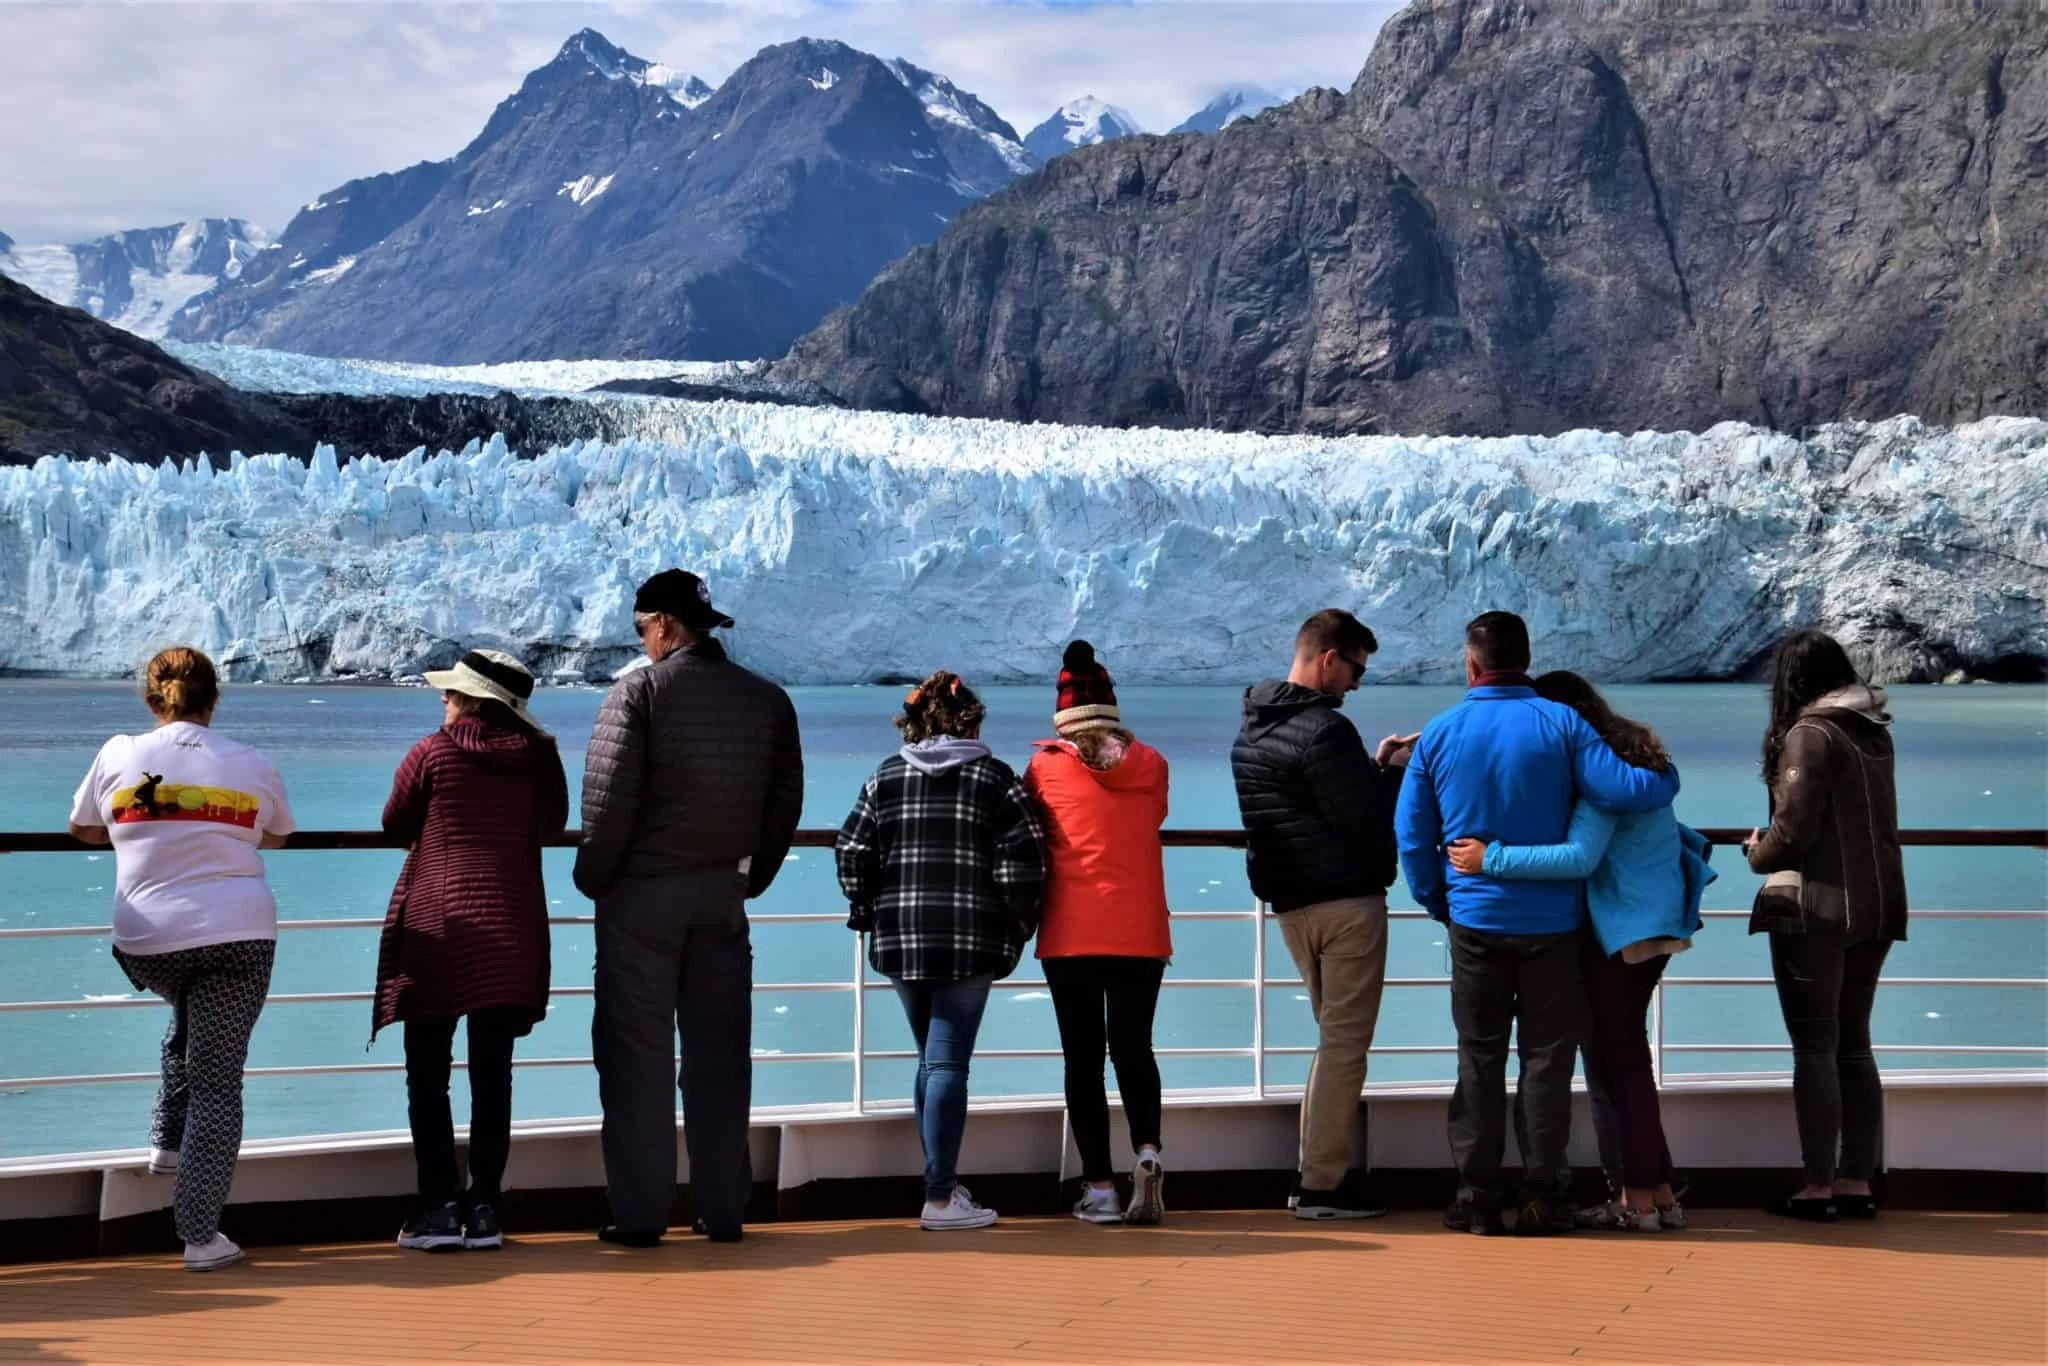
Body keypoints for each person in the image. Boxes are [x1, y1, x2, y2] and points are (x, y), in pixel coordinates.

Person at [1395, 612, 1679, 1236]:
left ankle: (1477, 1199)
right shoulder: (1565, 723)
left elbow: (1413, 838)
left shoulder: (1440, 734)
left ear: (1470, 665)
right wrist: (1667, 775)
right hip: (1554, 926)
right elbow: (1630, 789)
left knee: (1479, 1058)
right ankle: (1544, 1197)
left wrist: (1440, 902)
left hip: (1473, 922)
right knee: (1547, 1061)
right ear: (1526, 660)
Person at [575, 570, 804, 1247]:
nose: (642, 641)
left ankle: (642, 1216)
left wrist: (595, 878)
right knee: (720, 1056)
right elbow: (782, 805)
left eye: (642, 628)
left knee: (636, 1058)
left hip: (643, 901)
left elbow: (608, 800)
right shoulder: (768, 701)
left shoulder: (639, 692)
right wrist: (748, 880)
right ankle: (723, 1209)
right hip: (721, 899)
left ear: (666, 627)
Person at [1446, 671, 1713, 1233]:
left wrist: (1488, 859)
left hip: (1623, 930)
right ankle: (1657, 1193)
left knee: (1620, 1063)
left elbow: (1579, 857)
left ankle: (1638, 1198)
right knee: (1624, 1057)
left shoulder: (1600, 776)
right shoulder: (1632, 755)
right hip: (1650, 920)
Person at [67, 647, 294, 1272]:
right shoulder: (250, 762)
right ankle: (200, 1236)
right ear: (213, 700)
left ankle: (168, 1144)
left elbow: (82, 826)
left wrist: (146, 823)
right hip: (237, 936)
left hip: (147, 944)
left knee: (189, 1024)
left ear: (150, 700)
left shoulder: (117, 753)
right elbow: (276, 834)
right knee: (218, 1079)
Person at [836, 670, 1047, 1231]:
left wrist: (866, 910)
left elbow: (853, 848)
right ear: (970, 718)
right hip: (970, 940)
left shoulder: (884, 777)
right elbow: (1024, 864)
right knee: (948, 1061)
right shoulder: (995, 779)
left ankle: (942, 1184)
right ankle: (939, 1197)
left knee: (932, 1060)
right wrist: (1016, 928)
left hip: (902, 938)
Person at [377, 650, 569, 1252]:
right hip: (508, 930)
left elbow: (394, 821)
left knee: (427, 1076)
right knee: (493, 1076)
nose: (442, 698)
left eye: (452, 690)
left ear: (473, 698)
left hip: (438, 928)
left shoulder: (433, 752)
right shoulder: (540, 757)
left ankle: (436, 1209)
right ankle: (484, 1207)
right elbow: (552, 824)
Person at [1230, 609, 1416, 1220]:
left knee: (1330, 1041)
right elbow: (1363, 820)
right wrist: (1389, 776)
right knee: (1344, 1046)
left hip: (1292, 908)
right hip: (1345, 907)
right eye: (1356, 669)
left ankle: (1314, 1174)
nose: (1357, 685)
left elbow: (1305, 805)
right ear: (1329, 658)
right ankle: (1321, 1189)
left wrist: (1370, 767)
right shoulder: (1326, 731)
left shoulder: (1251, 731)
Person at [1743, 629, 1907, 1222]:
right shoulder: (1873, 733)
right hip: (1877, 905)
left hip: (1817, 909)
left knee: (1815, 1046)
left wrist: (1756, 852)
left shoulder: (1810, 735)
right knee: (1853, 1043)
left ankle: (1817, 1186)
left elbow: (1793, 834)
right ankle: (1857, 1178)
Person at [1025, 642, 1172, 1226]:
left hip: (1072, 933)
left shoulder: (1043, 768)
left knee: (1083, 1059)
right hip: (1140, 932)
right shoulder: (1154, 764)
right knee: (1134, 1048)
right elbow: (1154, 816)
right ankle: (1149, 1151)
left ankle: (1101, 1189)